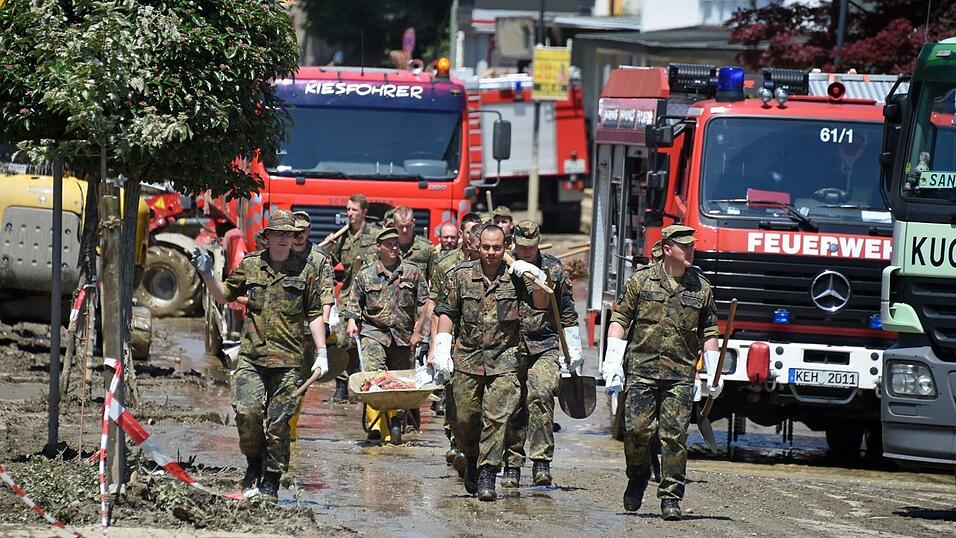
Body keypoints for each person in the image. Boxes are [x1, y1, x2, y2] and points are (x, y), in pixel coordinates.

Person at [191, 209, 328, 499]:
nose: (282, 239)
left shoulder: (306, 271)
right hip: (252, 358)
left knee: (279, 424)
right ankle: (254, 463)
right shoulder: (251, 265)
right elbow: (223, 295)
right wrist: (207, 274)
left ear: (294, 238)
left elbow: (315, 312)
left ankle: (272, 480)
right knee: (247, 413)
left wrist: (322, 351)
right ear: (267, 238)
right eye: (277, 234)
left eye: (287, 234)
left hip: (290, 361)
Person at [601, 224, 721, 520]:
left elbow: (709, 332)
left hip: (680, 375)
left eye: (693, 246)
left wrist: (714, 371)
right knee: (637, 433)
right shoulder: (641, 282)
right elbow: (620, 320)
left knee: (674, 436)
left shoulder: (701, 288)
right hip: (641, 371)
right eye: (685, 246)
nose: (692, 250)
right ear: (667, 249)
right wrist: (612, 361)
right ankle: (637, 476)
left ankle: (671, 497)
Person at [434, 225, 549, 502]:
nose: (491, 252)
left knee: (496, 420)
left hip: (505, 362)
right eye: (486, 247)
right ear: (478, 246)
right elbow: (447, 312)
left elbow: (542, 302)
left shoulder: (516, 276)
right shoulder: (461, 275)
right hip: (467, 359)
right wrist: (441, 347)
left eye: (497, 247)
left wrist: (535, 276)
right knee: (464, 419)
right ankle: (472, 459)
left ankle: (488, 474)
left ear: (505, 246)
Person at [501, 220, 582, 487]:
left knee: (542, 394)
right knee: (513, 403)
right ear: (514, 243)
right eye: (521, 247)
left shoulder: (554, 268)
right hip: (509, 344)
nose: (526, 252)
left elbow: (567, 312)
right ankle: (512, 463)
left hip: (544, 344)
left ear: (538, 242)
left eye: (531, 247)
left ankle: (541, 462)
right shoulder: (503, 267)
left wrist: (574, 350)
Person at [344, 227, 428, 439]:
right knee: (374, 377)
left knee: (402, 384)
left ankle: (400, 421)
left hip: (404, 336)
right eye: (388, 244)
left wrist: (421, 332)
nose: (393, 247)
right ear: (378, 247)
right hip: (374, 333)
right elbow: (354, 303)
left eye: (396, 243)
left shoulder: (413, 272)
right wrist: (352, 321)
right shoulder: (366, 274)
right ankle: (376, 425)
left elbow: (424, 305)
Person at [427, 213, 482, 472]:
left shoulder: (502, 266)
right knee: (457, 398)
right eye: (470, 231)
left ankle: (480, 455)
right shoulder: (447, 265)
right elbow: (437, 310)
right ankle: (457, 442)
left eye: (477, 232)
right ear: (464, 235)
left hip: (488, 346)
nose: (474, 237)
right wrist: (435, 348)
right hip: (456, 341)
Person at [321, 194, 382, 402]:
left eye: (354, 210)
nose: (350, 214)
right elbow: (328, 261)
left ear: (364, 212)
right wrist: (329, 244)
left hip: (370, 299)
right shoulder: (343, 237)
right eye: (348, 209)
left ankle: (361, 387)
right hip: (347, 298)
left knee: (364, 342)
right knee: (341, 341)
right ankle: (341, 387)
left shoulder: (375, 235)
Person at [288, 211, 337, 441]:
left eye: (303, 232)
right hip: (284, 325)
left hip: (310, 327)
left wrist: (325, 322)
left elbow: (327, 292)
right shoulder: (281, 252)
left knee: (300, 380)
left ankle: (290, 429)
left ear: (309, 231)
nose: (299, 236)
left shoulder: (319, 258)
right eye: (295, 232)